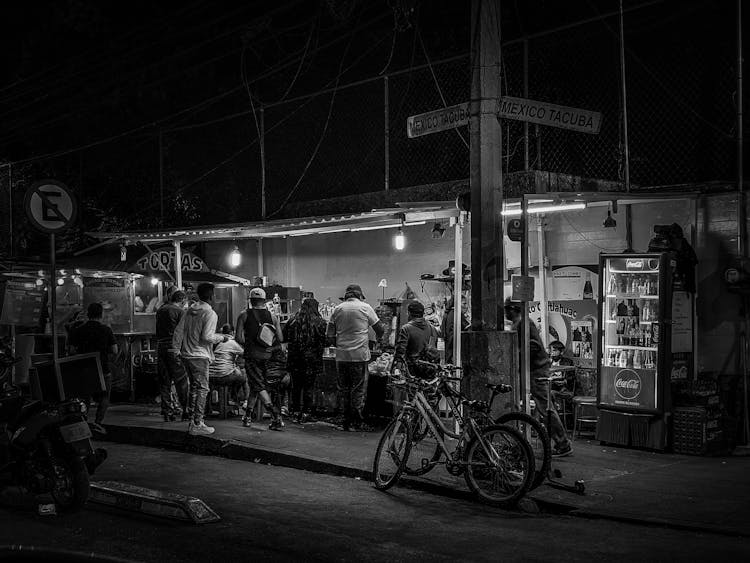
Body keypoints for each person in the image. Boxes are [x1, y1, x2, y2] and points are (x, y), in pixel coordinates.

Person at [504, 298, 572, 458]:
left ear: (512, 309)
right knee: (537, 406)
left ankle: (563, 444)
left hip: (537, 371)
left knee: (545, 407)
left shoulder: (523, 323)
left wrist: (518, 355)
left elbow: (533, 345)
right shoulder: (520, 323)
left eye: (506, 308)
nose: (505, 312)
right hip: (532, 371)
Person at [172, 283, 230, 436]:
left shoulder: (190, 310)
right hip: (200, 355)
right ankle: (198, 422)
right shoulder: (210, 313)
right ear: (212, 296)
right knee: (203, 388)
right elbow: (207, 337)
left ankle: (192, 420)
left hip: (186, 354)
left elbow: (178, 331)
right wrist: (222, 338)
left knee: (194, 388)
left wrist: (176, 349)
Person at [327, 284, 384, 432]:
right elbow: (380, 329)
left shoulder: (337, 309)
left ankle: (344, 422)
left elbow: (329, 335)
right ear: (359, 295)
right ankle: (356, 422)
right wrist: (377, 338)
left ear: (346, 296)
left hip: (341, 356)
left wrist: (340, 345)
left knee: (343, 389)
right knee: (358, 389)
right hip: (359, 356)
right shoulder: (365, 307)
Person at [235, 287, 285, 430]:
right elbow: (280, 338)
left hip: (252, 356)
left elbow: (238, 337)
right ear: (264, 301)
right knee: (255, 386)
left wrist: (250, 345)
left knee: (258, 386)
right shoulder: (272, 316)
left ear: (250, 300)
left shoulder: (244, 315)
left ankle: (276, 417)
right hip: (268, 357)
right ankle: (248, 416)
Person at [68, 302, 118, 435]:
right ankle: (98, 422)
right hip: (103, 369)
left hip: (84, 369)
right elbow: (114, 350)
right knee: (105, 397)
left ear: (88, 314)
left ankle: (83, 421)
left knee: (85, 398)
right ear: (101, 315)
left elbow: (72, 351)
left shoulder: (77, 330)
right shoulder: (106, 330)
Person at [283, 297, 327, 424]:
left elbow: (283, 337)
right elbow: (326, 341)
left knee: (296, 386)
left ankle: (295, 411)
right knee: (309, 386)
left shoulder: (292, 321)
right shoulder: (320, 322)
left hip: (295, 359)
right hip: (312, 360)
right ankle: (307, 412)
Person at [155, 290, 189, 422]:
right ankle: (186, 410)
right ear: (182, 300)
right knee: (181, 380)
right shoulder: (180, 312)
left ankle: (167, 411)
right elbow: (183, 332)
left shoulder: (160, 310)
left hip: (160, 347)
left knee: (165, 381)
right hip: (174, 347)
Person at [392, 301, 439, 379]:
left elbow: (400, 352)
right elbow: (434, 347)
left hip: (412, 372)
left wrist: (397, 369)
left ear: (409, 313)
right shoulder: (432, 328)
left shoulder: (406, 329)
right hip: (429, 371)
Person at [209, 323, 250, 407]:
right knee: (244, 376)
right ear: (232, 332)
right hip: (225, 375)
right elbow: (245, 354)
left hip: (210, 375)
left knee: (234, 373)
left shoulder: (215, 341)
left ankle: (211, 405)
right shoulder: (232, 342)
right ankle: (245, 401)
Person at [441, 296, 470, 365]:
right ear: (457, 304)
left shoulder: (450, 313)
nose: (466, 306)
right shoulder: (457, 314)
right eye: (464, 304)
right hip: (454, 351)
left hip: (449, 352)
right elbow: (468, 328)